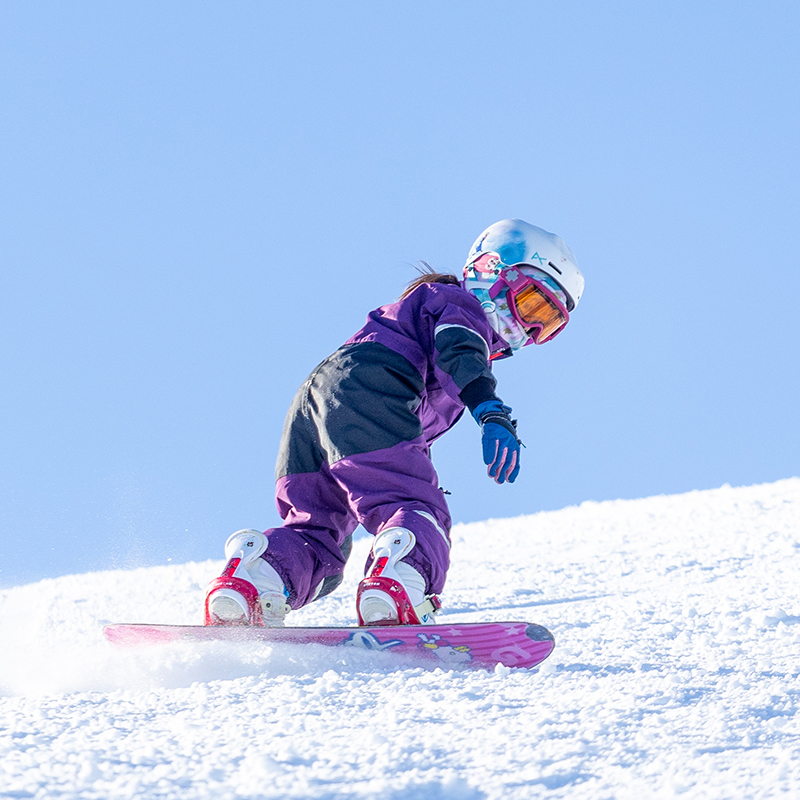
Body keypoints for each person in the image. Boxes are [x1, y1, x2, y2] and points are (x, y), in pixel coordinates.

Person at [204, 219, 584, 627]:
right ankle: (397, 583)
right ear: (491, 270)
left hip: (320, 405)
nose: (530, 327)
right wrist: (489, 410)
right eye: (532, 305)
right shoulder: (457, 306)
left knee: (319, 537)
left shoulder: (442, 318)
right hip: (373, 385)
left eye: (549, 325)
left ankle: (252, 582)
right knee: (415, 506)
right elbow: (460, 349)